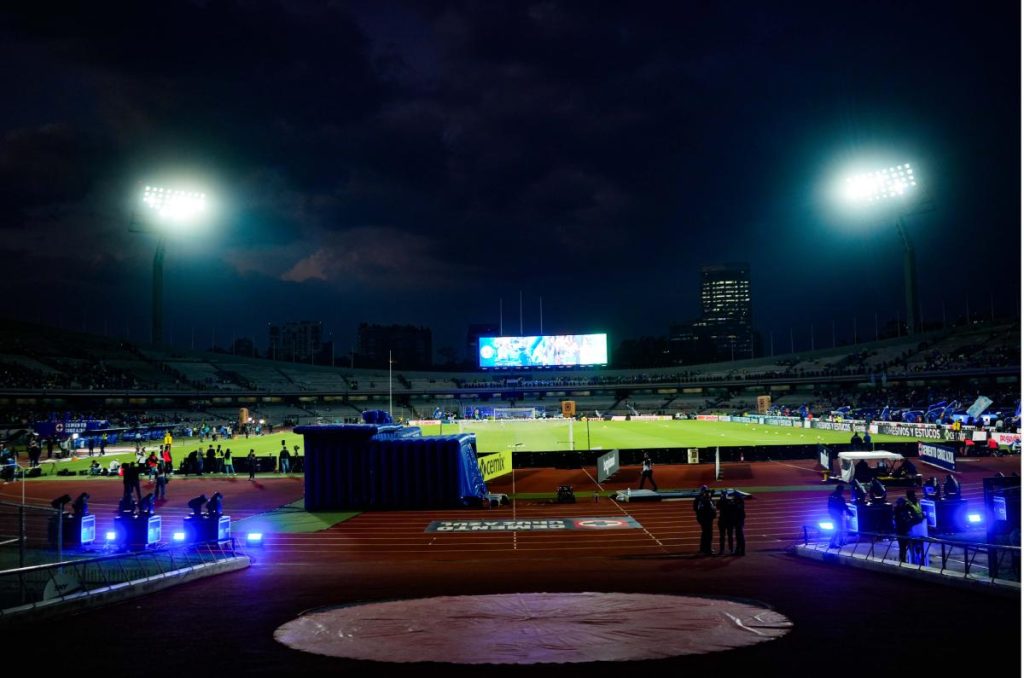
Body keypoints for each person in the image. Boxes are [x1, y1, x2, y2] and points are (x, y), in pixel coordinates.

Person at [694, 486, 717, 555]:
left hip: (702, 518)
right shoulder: (705, 499)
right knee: (708, 534)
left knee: (704, 533)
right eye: (707, 492)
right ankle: (708, 549)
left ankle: (703, 548)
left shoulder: (699, 498)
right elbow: (710, 508)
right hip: (707, 519)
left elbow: (695, 508)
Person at [717, 489, 735, 555]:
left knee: (723, 536)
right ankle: (731, 549)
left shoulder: (721, 501)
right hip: (728, 521)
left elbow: (717, 506)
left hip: (723, 521)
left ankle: (723, 550)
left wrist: (721, 499)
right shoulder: (729, 501)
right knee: (729, 536)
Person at [732, 490, 746, 556]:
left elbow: (737, 508)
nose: (733, 497)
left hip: (739, 521)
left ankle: (742, 551)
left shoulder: (740, 502)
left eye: (734, 495)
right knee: (738, 536)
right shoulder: (738, 501)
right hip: (737, 520)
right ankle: (738, 550)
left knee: (740, 536)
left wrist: (733, 504)